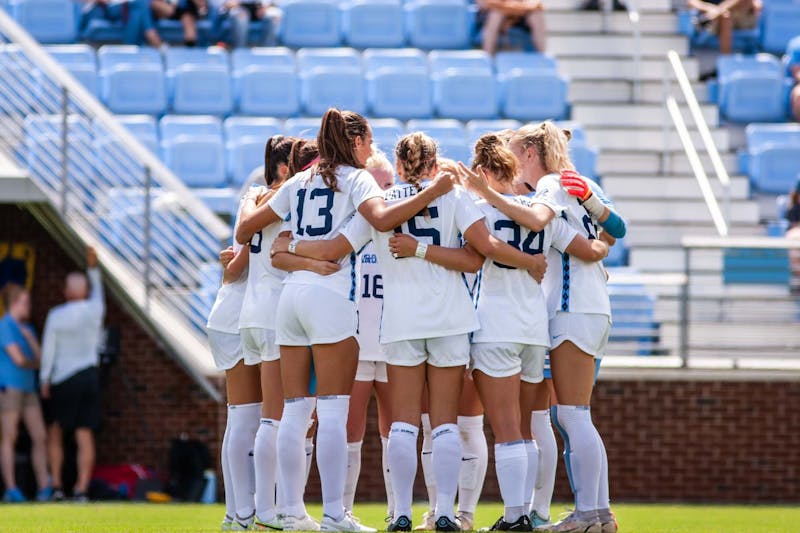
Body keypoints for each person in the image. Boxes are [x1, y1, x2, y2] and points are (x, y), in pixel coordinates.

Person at [268, 131, 549, 532]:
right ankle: (445, 513)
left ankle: (400, 513)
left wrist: (293, 246)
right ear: (435, 164)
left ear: (398, 165)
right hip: (451, 319)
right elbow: (475, 259)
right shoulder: (454, 197)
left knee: (402, 423)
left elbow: (338, 246)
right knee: (445, 423)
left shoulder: (383, 203)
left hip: (400, 321)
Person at [236, 109, 455, 532]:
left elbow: (246, 231)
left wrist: (293, 248)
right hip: (331, 298)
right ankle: (335, 514)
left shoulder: (299, 180)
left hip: (290, 298)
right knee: (333, 412)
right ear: (355, 142)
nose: (372, 148)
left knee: (295, 411)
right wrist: (435, 190)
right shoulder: (358, 179)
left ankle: (290, 511)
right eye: (369, 141)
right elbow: (382, 220)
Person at [391, 134, 609, 532]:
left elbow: (481, 248)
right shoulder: (543, 211)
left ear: (482, 170)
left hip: (494, 326)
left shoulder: (478, 208)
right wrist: (605, 237)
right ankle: (528, 512)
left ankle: (514, 516)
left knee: (506, 429)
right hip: (535, 328)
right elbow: (591, 250)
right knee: (527, 428)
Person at [463, 122, 626, 533]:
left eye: (515, 151)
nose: (511, 160)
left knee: (570, 415)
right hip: (585, 308)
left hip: (568, 308)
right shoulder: (577, 184)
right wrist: (601, 245)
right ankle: (595, 512)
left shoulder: (550, 186)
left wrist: (486, 194)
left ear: (530, 153)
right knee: (567, 415)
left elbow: (538, 221)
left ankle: (590, 512)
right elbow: (610, 234)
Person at [239, 136, 338, 531]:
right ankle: (273, 509)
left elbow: (244, 238)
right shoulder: (294, 196)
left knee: (271, 418)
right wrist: (317, 264)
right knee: (278, 418)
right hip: (276, 311)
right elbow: (280, 252)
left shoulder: (261, 197)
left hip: (257, 308)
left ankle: (267, 508)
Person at [342, 150, 396, 523]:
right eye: (379, 185)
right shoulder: (351, 229)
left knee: (397, 430)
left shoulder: (403, 228)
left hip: (393, 341)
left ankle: (398, 512)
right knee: (350, 431)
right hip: (358, 344)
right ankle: (342, 511)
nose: (385, 192)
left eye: (390, 184)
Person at [40, 246, 105, 502]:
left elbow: (49, 349)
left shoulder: (56, 315)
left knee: (56, 431)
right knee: (84, 434)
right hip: (89, 376)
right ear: (85, 291)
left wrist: (44, 378)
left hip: (63, 378)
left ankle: (57, 485)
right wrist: (92, 267)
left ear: (66, 291)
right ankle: (81, 489)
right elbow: (98, 288)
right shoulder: (95, 309)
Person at [0, 285, 50, 503]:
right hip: (9, 387)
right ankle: (11, 488)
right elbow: (19, 360)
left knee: (40, 436)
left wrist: (30, 340)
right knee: (10, 436)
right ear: (14, 304)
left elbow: (41, 359)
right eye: (25, 302)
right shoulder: (5, 325)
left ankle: (44, 486)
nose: (29, 306)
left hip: (29, 388)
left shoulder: (28, 328)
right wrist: (33, 363)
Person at [688, 0, 762, 55]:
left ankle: (726, 59)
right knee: (725, 17)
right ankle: (726, 59)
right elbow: (692, 2)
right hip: (710, 22)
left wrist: (718, 10)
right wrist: (710, 9)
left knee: (725, 17)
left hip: (736, 17)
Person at [78, 0, 163, 46]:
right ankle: (149, 37)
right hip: (96, 11)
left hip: (121, 8)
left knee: (137, 9)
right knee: (140, 4)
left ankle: (132, 48)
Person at [479, 0, 546, 54]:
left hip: (520, 11)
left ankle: (542, 56)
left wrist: (516, 6)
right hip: (495, 10)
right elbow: (483, 4)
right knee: (495, 16)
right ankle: (488, 57)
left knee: (536, 16)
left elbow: (534, 3)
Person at [212, 0, 282, 47]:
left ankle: (267, 51)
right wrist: (232, 3)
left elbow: (274, 3)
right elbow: (224, 5)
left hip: (261, 8)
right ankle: (240, 50)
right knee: (240, 16)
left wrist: (265, 7)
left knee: (273, 16)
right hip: (240, 8)